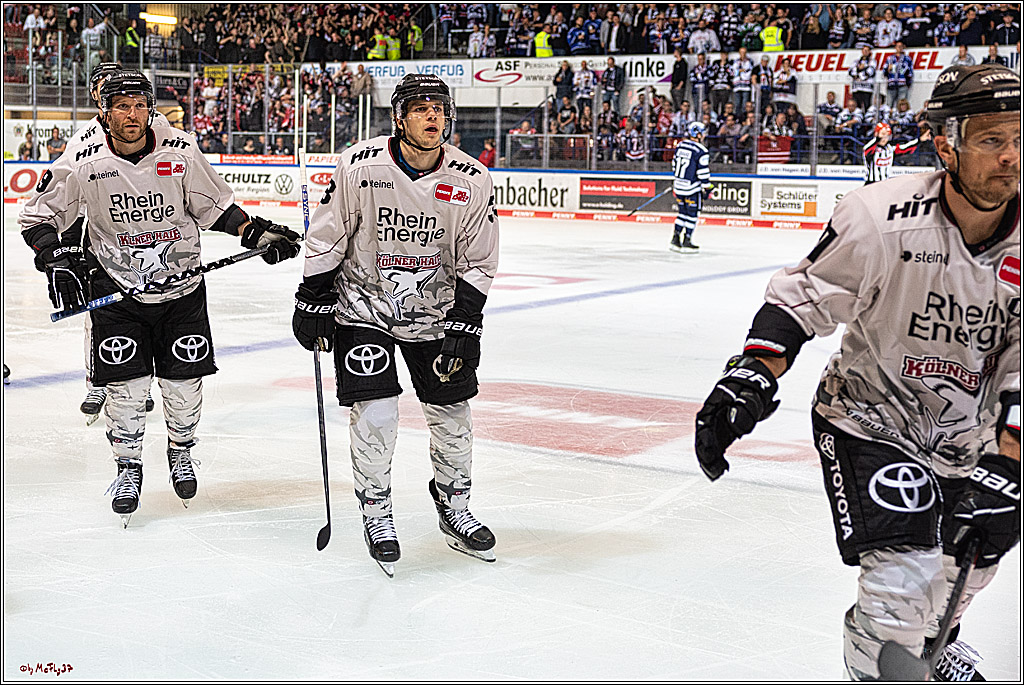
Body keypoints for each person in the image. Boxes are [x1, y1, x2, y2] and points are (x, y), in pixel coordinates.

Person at [693, 64, 1020, 681]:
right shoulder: (879, 216)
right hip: (871, 419)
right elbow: (804, 297)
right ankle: (890, 652)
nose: (1011, 156)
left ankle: (933, 643)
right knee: (902, 586)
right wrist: (751, 375)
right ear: (946, 142)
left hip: (970, 434)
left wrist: (1010, 465)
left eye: (1020, 137)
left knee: (966, 568)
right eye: (991, 139)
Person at [19, 71, 301, 526]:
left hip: (181, 289)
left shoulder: (180, 149)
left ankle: (181, 449)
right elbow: (38, 214)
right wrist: (56, 258)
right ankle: (128, 466)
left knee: (184, 387)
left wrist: (255, 233)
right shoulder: (83, 158)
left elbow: (214, 208)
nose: (132, 115)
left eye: (139, 105)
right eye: (121, 105)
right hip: (117, 290)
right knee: (126, 391)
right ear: (103, 110)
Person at [292, 74, 499, 577]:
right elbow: (327, 236)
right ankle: (377, 510)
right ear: (399, 117)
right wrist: (311, 297)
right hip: (364, 310)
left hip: (435, 316)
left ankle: (454, 502)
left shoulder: (471, 178)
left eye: (440, 108)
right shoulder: (359, 166)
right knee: (378, 414)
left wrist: (466, 322)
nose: (433, 116)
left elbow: (478, 258)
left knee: (451, 413)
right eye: (421, 107)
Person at [669, 121, 711, 253]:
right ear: (698, 134)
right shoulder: (701, 151)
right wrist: (708, 188)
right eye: (703, 132)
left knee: (682, 213)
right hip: (691, 188)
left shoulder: (680, 146)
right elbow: (703, 173)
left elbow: (674, 165)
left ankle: (675, 240)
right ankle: (687, 241)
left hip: (679, 186)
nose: (704, 135)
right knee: (692, 215)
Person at [863, 121, 931, 184]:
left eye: (887, 135)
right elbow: (866, 149)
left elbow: (905, 148)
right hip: (871, 183)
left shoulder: (890, 149)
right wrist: (878, 136)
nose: (885, 138)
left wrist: (920, 140)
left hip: (884, 183)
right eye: (883, 134)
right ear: (876, 134)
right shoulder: (871, 149)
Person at [883, 41, 914, 106]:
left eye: (901, 46)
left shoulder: (907, 59)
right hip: (891, 85)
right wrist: (888, 70)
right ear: (895, 47)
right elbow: (884, 71)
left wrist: (908, 83)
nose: (899, 48)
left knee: (902, 104)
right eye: (898, 46)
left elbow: (910, 73)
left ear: (903, 47)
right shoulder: (889, 58)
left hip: (902, 85)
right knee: (889, 104)